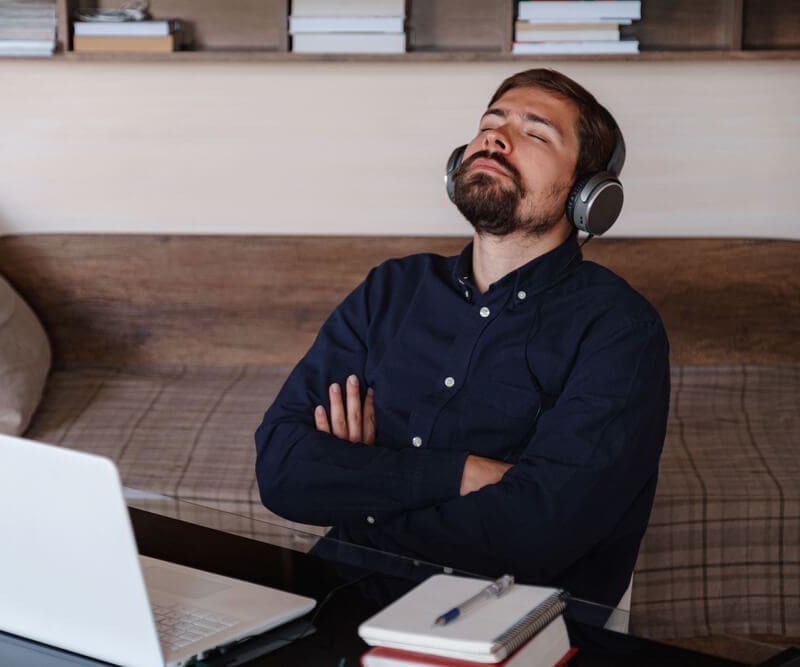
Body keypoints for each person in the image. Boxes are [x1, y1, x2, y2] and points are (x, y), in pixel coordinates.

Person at [254, 68, 669, 608]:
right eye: (489, 124)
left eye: (536, 133)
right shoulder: (392, 289)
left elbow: (535, 532)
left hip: (503, 633)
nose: (496, 137)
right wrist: (460, 472)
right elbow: (282, 470)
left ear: (587, 196)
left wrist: (358, 486)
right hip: (339, 602)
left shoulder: (619, 330)